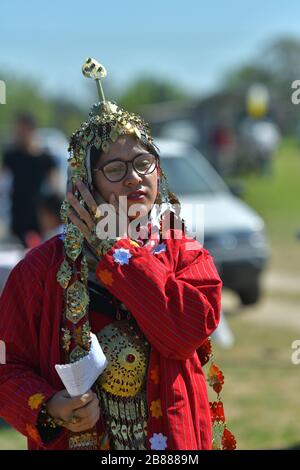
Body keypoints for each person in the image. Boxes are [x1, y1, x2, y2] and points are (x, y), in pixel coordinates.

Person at [0, 59, 236, 451]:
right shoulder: (39, 269)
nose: (134, 177)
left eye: (144, 163)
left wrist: (116, 250)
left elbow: (184, 334)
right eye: (114, 168)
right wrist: (51, 407)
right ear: (84, 183)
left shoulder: (185, 253)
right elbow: (8, 366)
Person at [1, 113, 59, 245]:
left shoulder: (45, 158)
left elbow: (54, 186)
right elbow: (3, 179)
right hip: (17, 213)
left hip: (39, 214)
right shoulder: (11, 155)